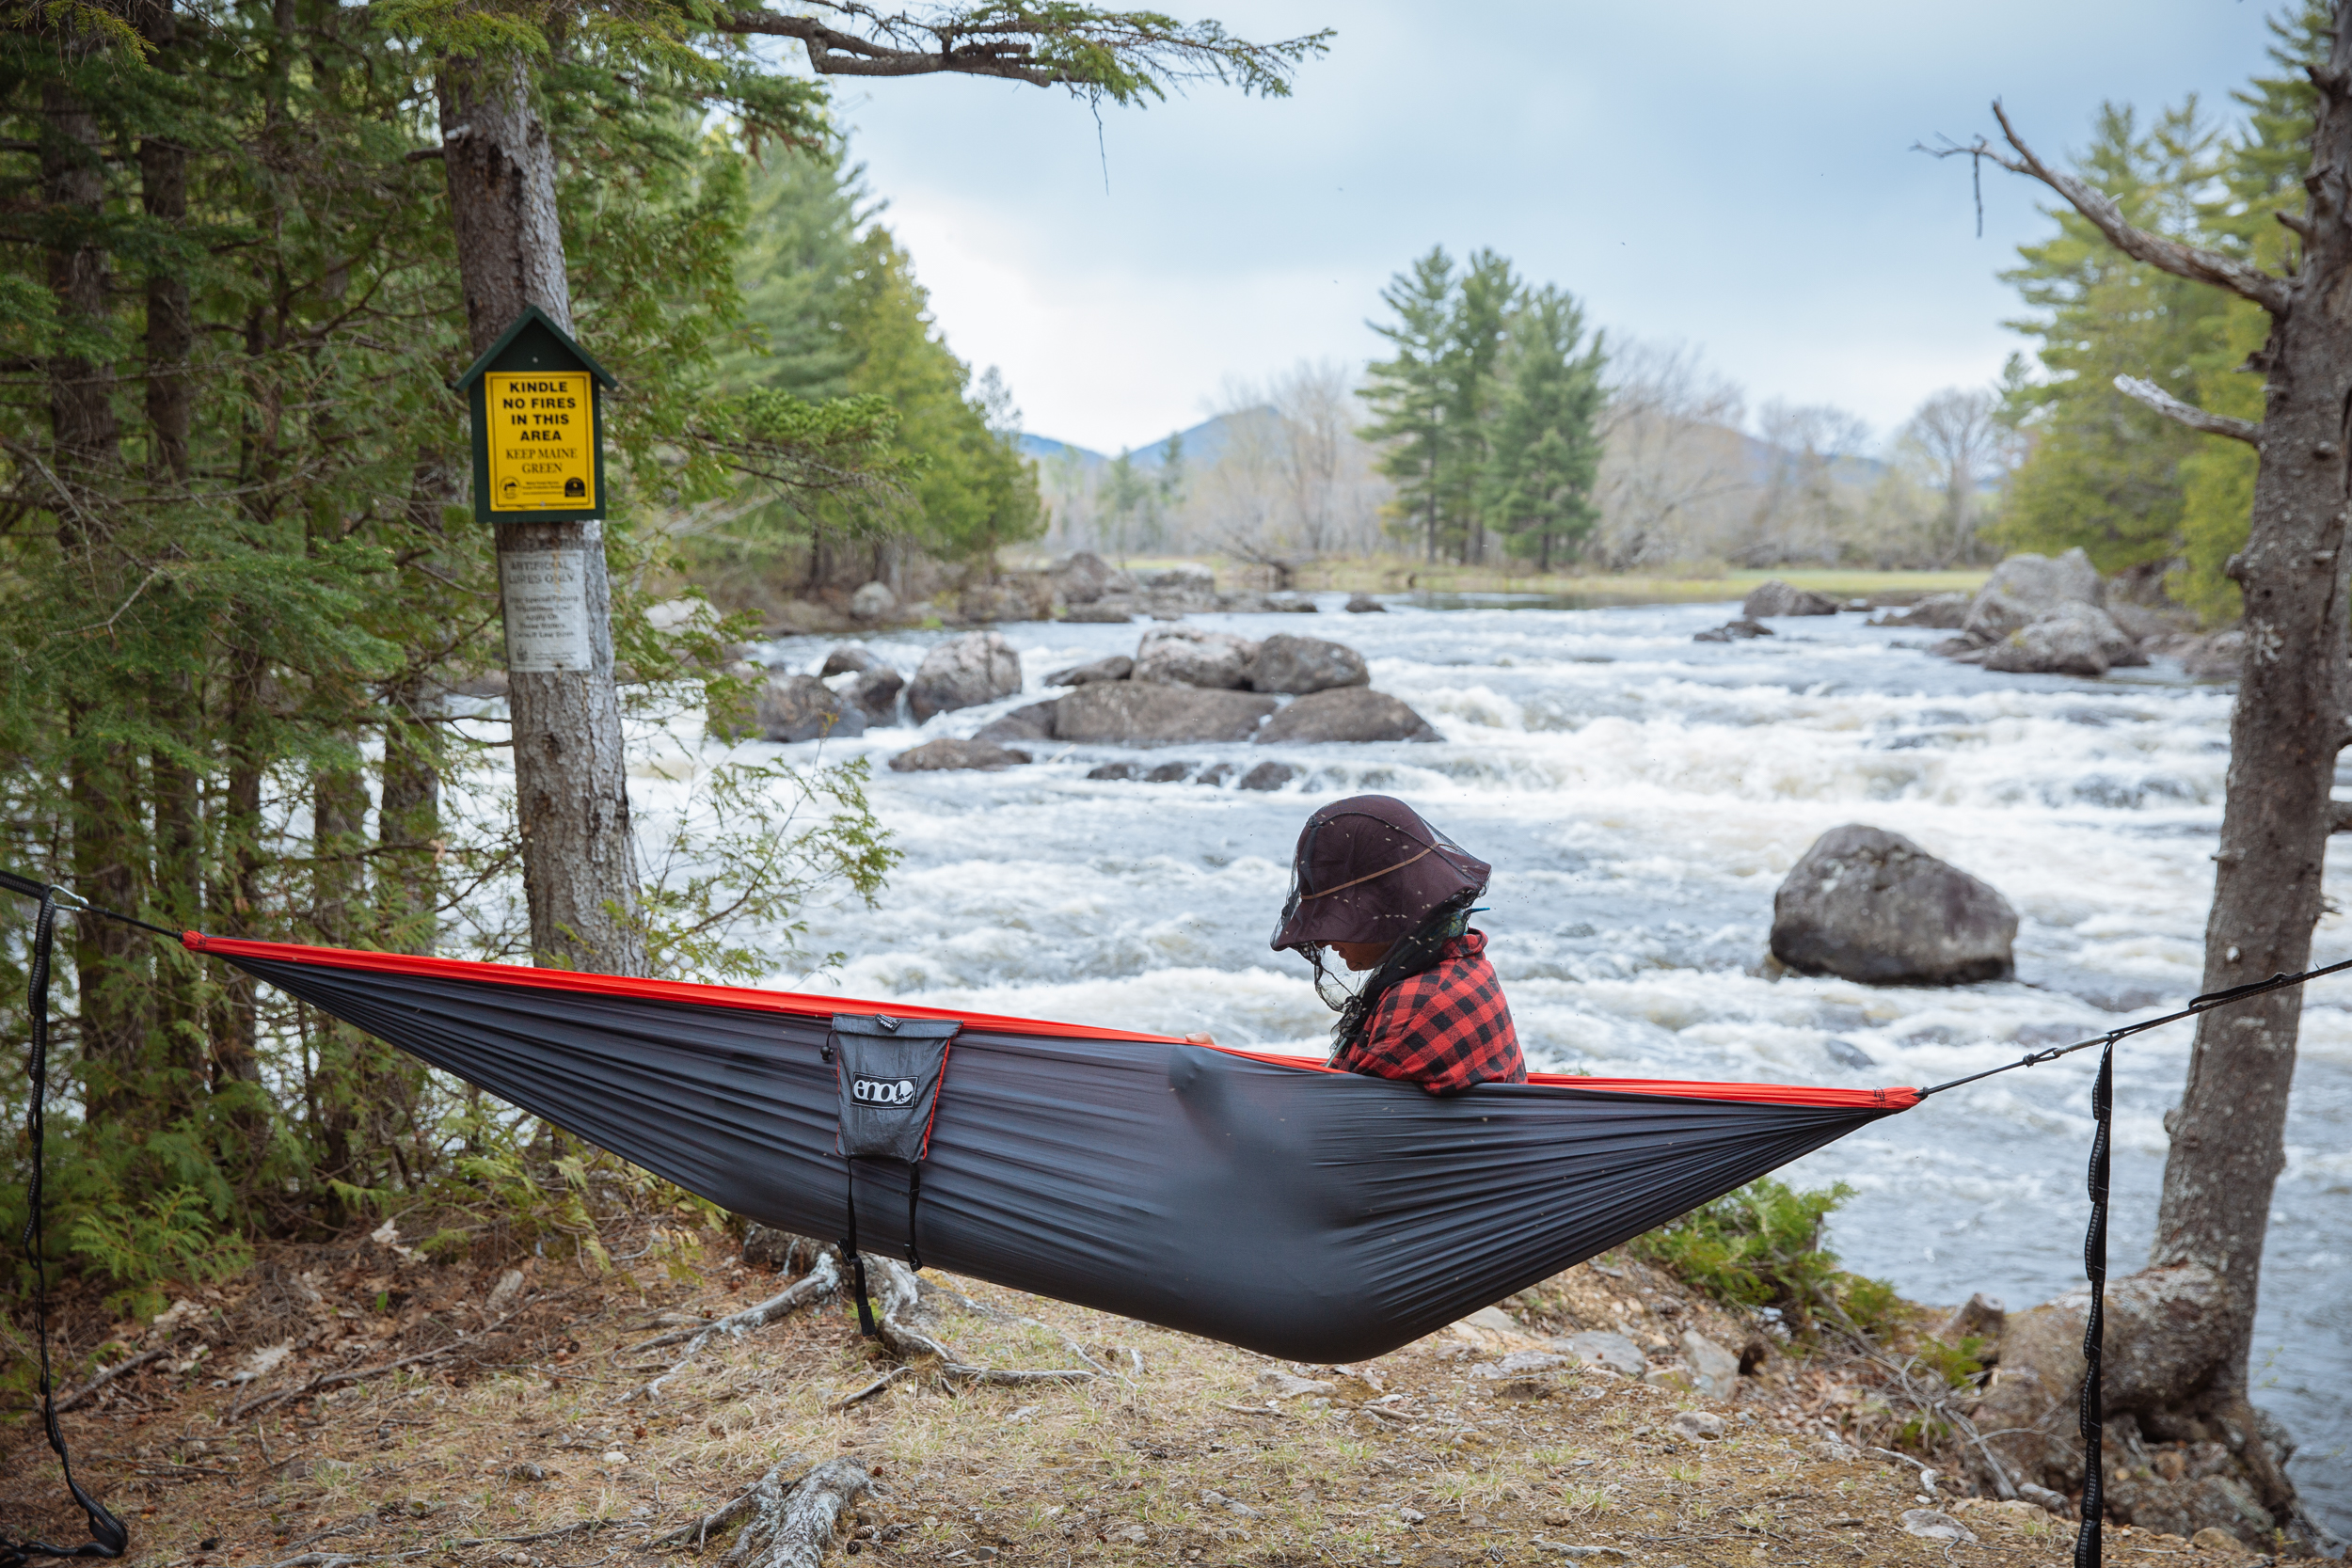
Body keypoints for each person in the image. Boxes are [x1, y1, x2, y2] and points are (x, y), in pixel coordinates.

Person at [1267, 794, 1524, 1095]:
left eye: (1337, 918)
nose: (1321, 939)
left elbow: (1326, 1119)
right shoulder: (1463, 959)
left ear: (1382, 912)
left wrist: (1221, 1075)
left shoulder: (1418, 1004)